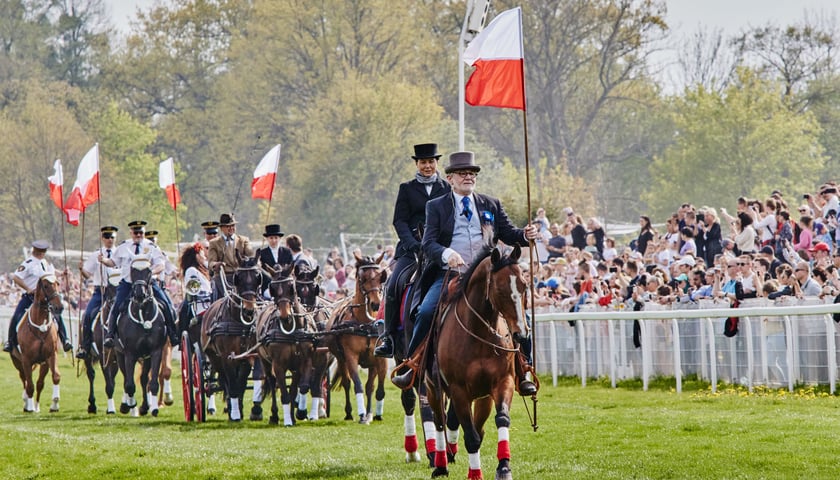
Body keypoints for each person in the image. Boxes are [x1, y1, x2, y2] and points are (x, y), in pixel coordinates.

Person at [390, 151, 539, 395]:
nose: (468, 177)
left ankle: (525, 369)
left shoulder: (491, 204)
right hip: (449, 274)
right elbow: (428, 243)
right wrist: (447, 254)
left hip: (488, 276)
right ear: (450, 179)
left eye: (471, 173)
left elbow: (509, 233)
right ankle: (413, 365)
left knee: (520, 315)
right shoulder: (436, 206)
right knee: (426, 311)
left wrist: (525, 235)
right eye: (462, 174)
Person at [373, 144, 451, 357]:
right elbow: (399, 220)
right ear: (417, 164)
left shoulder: (446, 188)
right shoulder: (406, 189)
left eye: (431, 162)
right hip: (411, 250)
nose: (428, 166)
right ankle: (388, 337)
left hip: (439, 249)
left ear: (436, 163)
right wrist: (413, 243)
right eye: (423, 162)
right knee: (394, 283)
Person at [102, 221, 179, 348]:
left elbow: (161, 265)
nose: (138, 235)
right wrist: (103, 260)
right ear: (131, 233)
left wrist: (150, 273)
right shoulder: (123, 246)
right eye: (136, 232)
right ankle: (110, 335)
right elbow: (113, 262)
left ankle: (172, 333)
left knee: (166, 305)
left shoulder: (152, 247)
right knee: (116, 306)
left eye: (141, 232)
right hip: (128, 283)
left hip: (148, 283)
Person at [4, 240, 73, 353]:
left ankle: (65, 339)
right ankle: (10, 341)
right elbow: (16, 277)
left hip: (45, 298)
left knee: (57, 315)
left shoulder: (44, 263)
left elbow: (51, 273)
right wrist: (28, 289)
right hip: (30, 297)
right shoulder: (28, 263)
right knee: (17, 316)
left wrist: (61, 273)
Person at [75, 226, 118, 358]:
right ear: (102, 238)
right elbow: (88, 275)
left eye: (112, 237)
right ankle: (85, 347)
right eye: (107, 237)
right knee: (87, 315)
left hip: (117, 291)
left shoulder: (121, 253)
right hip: (101, 291)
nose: (109, 239)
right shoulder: (96, 254)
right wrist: (82, 270)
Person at [207, 213, 254, 300]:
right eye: (228, 226)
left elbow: (251, 255)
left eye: (233, 226)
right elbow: (211, 262)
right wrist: (216, 265)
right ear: (221, 228)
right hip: (223, 277)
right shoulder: (214, 243)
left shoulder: (243, 241)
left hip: (240, 276)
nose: (231, 228)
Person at [178, 242, 213, 335]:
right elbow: (194, 290)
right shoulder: (191, 271)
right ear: (196, 256)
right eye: (202, 255)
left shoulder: (203, 270)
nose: (205, 257)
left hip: (210, 304)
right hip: (201, 306)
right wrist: (210, 295)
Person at [255, 224, 293, 296]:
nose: (274, 240)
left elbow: (290, 268)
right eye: (271, 238)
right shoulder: (262, 253)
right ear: (267, 239)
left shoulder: (287, 252)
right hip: (268, 287)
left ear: (280, 238)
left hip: (285, 286)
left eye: (276, 238)